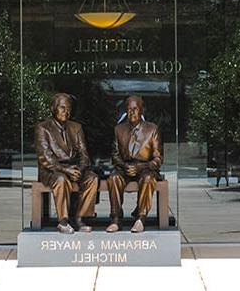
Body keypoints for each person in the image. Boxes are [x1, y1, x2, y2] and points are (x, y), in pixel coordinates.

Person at [35, 93, 98, 233]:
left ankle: (80, 218)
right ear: (53, 108)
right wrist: (65, 170)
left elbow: (84, 154)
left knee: (92, 178)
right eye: (62, 108)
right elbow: (45, 157)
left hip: (74, 168)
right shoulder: (43, 128)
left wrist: (80, 170)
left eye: (68, 108)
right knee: (61, 179)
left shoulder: (76, 127)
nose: (66, 112)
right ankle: (63, 221)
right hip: (52, 170)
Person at [106, 95, 163, 233]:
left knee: (148, 179)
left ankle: (140, 218)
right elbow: (115, 155)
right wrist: (125, 166)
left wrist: (140, 167)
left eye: (135, 109)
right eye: (129, 109)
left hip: (145, 168)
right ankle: (116, 219)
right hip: (124, 167)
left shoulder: (152, 129)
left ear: (141, 110)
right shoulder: (119, 129)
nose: (132, 112)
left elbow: (158, 159)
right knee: (113, 178)